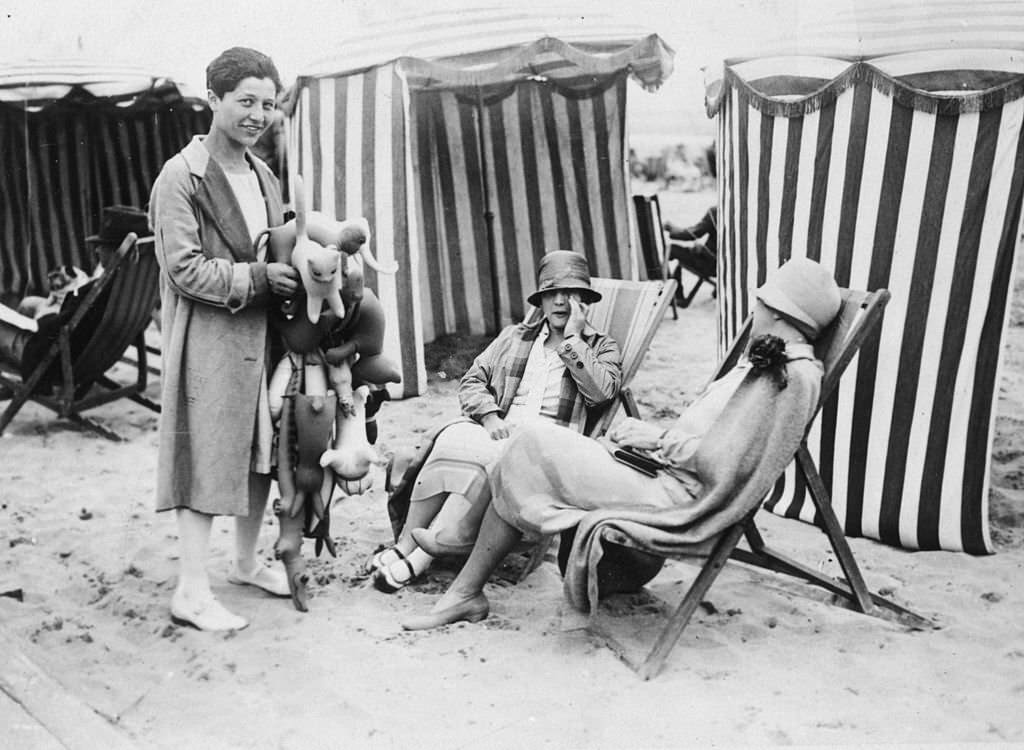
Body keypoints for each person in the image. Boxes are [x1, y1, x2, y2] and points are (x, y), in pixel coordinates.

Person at [399, 257, 842, 630]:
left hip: (677, 496)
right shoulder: (772, 365)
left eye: (763, 301)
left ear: (782, 313)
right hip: (659, 469)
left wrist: (655, 437)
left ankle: (463, 578)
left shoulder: (789, 377)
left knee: (531, 440)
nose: (755, 306)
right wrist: (650, 441)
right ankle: (464, 587)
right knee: (527, 442)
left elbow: (725, 465)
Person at [149, 47, 300, 632]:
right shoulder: (180, 176)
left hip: (262, 335)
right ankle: (190, 588)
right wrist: (260, 278)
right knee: (206, 454)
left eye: (268, 104)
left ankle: (243, 561)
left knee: (260, 451)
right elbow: (183, 268)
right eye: (246, 102)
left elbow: (277, 246)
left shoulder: (263, 173)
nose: (259, 114)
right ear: (212, 99)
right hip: (208, 338)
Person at [373, 250, 622, 592]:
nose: (560, 302)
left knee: (490, 462)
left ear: (584, 301)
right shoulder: (515, 337)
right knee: (451, 439)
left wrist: (574, 341)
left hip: (549, 444)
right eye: (552, 293)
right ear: (542, 300)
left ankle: (419, 559)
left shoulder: (601, 347)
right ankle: (405, 545)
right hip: (502, 427)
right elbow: (472, 380)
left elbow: (602, 395)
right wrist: (490, 417)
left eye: (570, 294)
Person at [664, 205, 718, 281]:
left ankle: (669, 289)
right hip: (728, 267)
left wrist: (671, 229)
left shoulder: (716, 211)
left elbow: (693, 234)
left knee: (670, 250)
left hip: (711, 265)